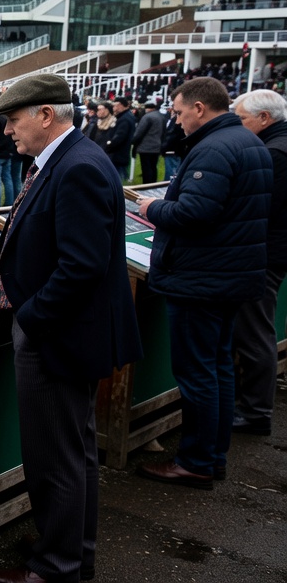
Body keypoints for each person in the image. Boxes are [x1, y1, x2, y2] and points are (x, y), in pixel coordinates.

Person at [0, 75, 141, 583]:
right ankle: (71, 550)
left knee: (55, 458)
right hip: (64, 333)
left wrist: (30, 318)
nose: (8, 131)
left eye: (14, 120)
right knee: (72, 453)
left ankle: (57, 567)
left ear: (45, 115)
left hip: (57, 337)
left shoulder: (77, 167)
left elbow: (81, 266)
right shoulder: (71, 159)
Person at [135, 78, 272, 489]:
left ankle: (196, 461)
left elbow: (194, 213)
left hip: (201, 279)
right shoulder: (247, 141)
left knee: (198, 374)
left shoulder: (214, 147)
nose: (176, 121)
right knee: (218, 368)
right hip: (227, 275)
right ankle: (212, 458)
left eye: (178, 112)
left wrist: (152, 207)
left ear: (199, 108)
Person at [229, 89, 287, 437]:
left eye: (242, 119)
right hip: (270, 251)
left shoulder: (275, 152)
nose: (237, 125)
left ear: (264, 118)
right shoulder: (277, 146)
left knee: (253, 333)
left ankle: (255, 412)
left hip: (263, 255)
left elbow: (259, 208)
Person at [131, 101, 165, 183]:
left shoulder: (147, 117)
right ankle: (153, 184)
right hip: (157, 145)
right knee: (153, 167)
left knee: (146, 168)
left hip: (145, 147)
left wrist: (133, 141)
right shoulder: (161, 116)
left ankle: (146, 185)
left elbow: (139, 132)